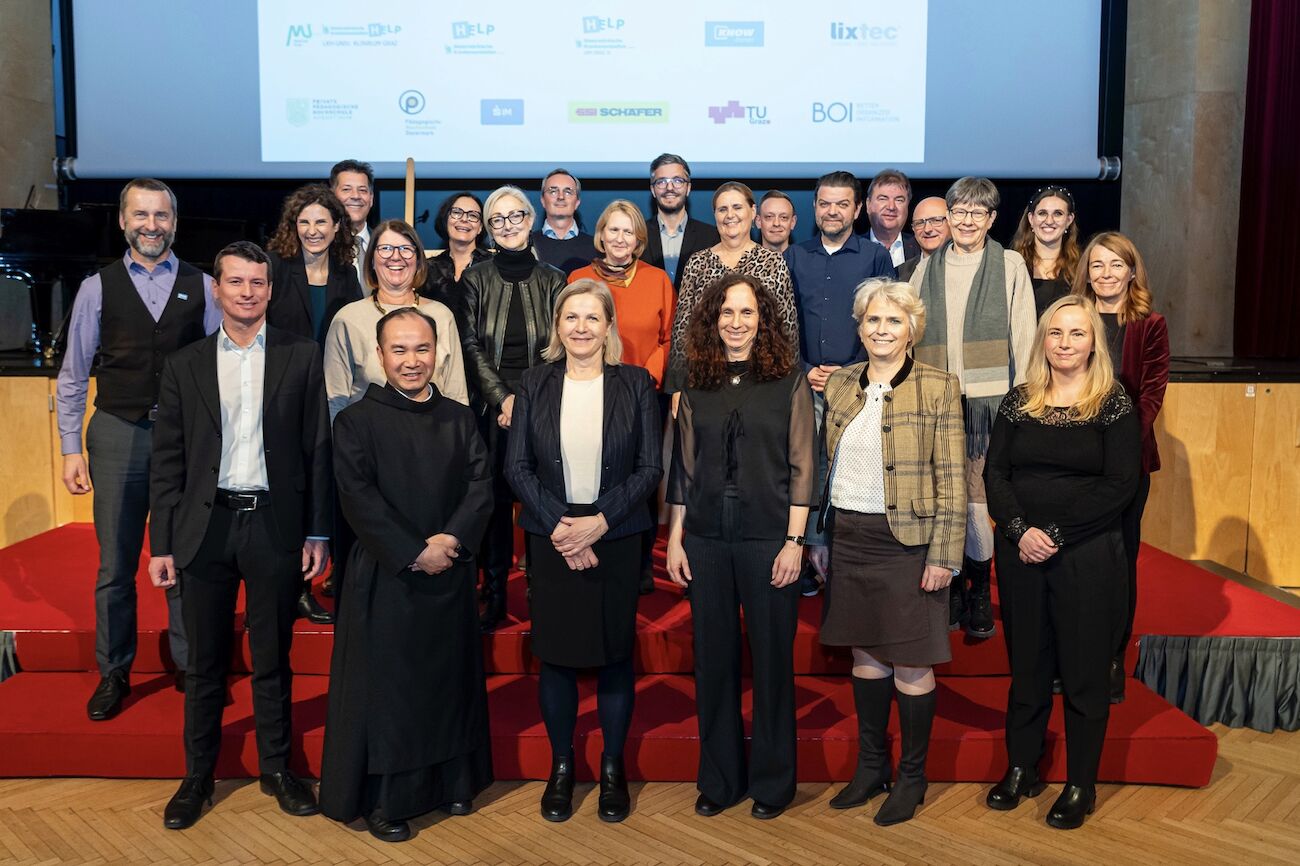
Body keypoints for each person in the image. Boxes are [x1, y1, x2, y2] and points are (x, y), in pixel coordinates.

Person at [148, 241, 332, 830]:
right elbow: (168, 461)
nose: (247, 292)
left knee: (273, 656)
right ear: (217, 288)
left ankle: (278, 769)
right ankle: (197, 776)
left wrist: (318, 533)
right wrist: (163, 543)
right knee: (204, 665)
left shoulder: (302, 357)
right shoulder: (185, 364)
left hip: (275, 525)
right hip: (206, 527)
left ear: (270, 290)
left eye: (258, 283)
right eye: (236, 282)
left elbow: (317, 451)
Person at [320, 308, 494, 843]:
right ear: (380, 355)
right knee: (391, 694)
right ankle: (385, 800)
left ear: (438, 354)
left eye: (421, 349)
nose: (411, 360)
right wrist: (413, 551)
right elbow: (358, 500)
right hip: (388, 575)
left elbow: (480, 486)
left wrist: (451, 541)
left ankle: (451, 783)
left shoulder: (460, 418)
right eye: (399, 350)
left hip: (449, 571)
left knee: (449, 684)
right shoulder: (355, 421)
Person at [57, 178, 220, 720]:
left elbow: (222, 364)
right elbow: (75, 374)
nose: (152, 225)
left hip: (184, 440)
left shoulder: (204, 286)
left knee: (185, 557)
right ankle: (114, 671)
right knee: (116, 564)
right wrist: (70, 448)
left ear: (175, 222)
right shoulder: (96, 287)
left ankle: (190, 665)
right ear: (124, 221)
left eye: (161, 215)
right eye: (141, 215)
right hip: (117, 434)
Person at [505, 280, 662, 823]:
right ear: (557, 325)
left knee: (615, 656)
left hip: (615, 536)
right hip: (552, 539)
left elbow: (649, 469)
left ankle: (613, 769)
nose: (580, 327)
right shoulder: (533, 382)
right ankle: (563, 767)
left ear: (608, 326)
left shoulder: (636, 383)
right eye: (571, 317)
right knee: (557, 658)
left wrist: (597, 523)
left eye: (592, 317)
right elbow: (516, 467)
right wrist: (563, 528)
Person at [810, 279, 965, 825]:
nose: (881, 330)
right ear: (859, 327)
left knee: (912, 662)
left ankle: (912, 777)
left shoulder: (939, 386)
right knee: (866, 657)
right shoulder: (841, 384)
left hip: (910, 543)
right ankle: (872, 766)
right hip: (850, 537)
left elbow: (952, 477)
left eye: (893, 321)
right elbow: (821, 467)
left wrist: (944, 554)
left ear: (912, 330)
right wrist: (819, 536)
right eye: (872, 320)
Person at [983, 294, 1140, 830]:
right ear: (1042, 340)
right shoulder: (1018, 399)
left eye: (1076, 333)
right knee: (1026, 668)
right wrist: (1018, 530)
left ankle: (1080, 783)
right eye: (1056, 333)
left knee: (1082, 672)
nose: (1065, 343)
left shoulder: (1114, 403)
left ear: (1093, 341)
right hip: (1020, 552)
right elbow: (995, 473)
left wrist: (1051, 533)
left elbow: (1121, 486)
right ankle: (1022, 768)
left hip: (1087, 555)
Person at [666, 273, 815, 820]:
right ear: (712, 320)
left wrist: (795, 542)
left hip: (767, 538)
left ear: (764, 320)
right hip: (705, 538)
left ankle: (774, 785)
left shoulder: (787, 381)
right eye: (726, 312)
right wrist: (676, 538)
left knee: (773, 662)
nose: (735, 322)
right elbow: (681, 468)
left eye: (747, 313)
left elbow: (803, 465)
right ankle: (720, 780)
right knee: (714, 661)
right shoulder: (696, 381)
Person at [910, 176, 1037, 639]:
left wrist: (1022, 402)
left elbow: (1024, 335)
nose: (965, 221)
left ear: (991, 219)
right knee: (946, 496)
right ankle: (953, 586)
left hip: (989, 407)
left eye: (975, 213)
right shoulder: (927, 267)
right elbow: (911, 336)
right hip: (936, 403)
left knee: (978, 498)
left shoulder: (1008, 264)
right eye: (958, 212)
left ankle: (979, 586)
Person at [460, 185, 567, 629]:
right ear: (489, 228)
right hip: (492, 410)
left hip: (546, 405)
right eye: (497, 219)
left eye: (515, 216)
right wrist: (502, 398)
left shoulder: (554, 278)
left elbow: (565, 343)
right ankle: (496, 588)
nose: (507, 226)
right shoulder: (475, 278)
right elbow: (469, 344)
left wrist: (529, 402)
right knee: (496, 503)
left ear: (531, 219)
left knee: (545, 500)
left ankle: (547, 588)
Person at [785, 171, 896, 595]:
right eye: (825, 204)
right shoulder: (795, 257)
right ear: (816, 208)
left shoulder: (874, 258)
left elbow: (889, 322)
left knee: (850, 468)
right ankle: (810, 553)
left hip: (859, 383)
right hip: (806, 382)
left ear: (856, 209)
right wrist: (803, 366)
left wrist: (851, 370)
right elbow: (783, 320)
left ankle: (847, 557)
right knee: (807, 467)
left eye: (841, 204)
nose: (832, 211)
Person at [1072, 231, 1169, 702]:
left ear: (1132, 272)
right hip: (1070, 462)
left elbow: (1150, 396)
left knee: (1118, 561)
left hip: (1126, 462)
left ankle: (1112, 658)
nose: (1106, 274)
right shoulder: (1071, 320)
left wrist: (1117, 449)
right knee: (1072, 561)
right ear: (1086, 272)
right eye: (1097, 265)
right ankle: (1072, 657)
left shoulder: (1150, 325)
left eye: (1115, 265)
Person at [264, 184, 362, 623]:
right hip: (285, 394)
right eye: (304, 222)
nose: (312, 230)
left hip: (336, 394)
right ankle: (290, 589)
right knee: (290, 489)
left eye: (321, 221)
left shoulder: (346, 272)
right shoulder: (277, 268)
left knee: (329, 484)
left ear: (337, 225)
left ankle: (332, 578)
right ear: (293, 226)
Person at [568, 200, 676, 594]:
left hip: (644, 392)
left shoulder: (657, 279)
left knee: (640, 475)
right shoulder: (580, 278)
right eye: (613, 230)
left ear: (638, 240)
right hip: (589, 390)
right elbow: (570, 332)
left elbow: (670, 338)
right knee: (597, 471)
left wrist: (646, 377)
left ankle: (642, 559)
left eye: (628, 231)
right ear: (601, 235)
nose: (620, 238)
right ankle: (591, 544)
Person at [324, 219, 468, 422]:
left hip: (433, 438)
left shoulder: (442, 316)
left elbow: (457, 395)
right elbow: (335, 400)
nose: (396, 256)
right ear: (372, 260)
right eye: (385, 249)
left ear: (418, 260)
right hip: (369, 442)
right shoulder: (347, 319)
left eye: (406, 249)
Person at [664, 182, 800, 393]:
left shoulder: (773, 262)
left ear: (753, 211)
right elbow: (682, 330)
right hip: (706, 381)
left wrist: (790, 388)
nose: (730, 215)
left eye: (737, 207)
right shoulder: (698, 262)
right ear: (715, 215)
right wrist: (677, 388)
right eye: (723, 209)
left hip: (762, 381)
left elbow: (787, 329)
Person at [641, 153, 720, 288]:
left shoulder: (711, 237)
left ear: (688, 188)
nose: (670, 188)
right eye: (661, 182)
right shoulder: (638, 234)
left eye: (677, 181)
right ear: (653, 190)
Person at [1012, 186, 1081, 319]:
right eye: (1042, 213)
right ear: (1031, 219)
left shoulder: (1081, 266)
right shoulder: (1012, 265)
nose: (1049, 221)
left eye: (1058, 214)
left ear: (1069, 220)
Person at [426, 192, 492, 311]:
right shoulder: (427, 269)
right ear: (446, 220)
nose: (464, 219)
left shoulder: (493, 265)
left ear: (480, 227)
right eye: (457, 213)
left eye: (473, 215)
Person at [530, 168, 598, 275]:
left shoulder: (596, 247)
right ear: (543, 200)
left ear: (577, 202)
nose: (560, 197)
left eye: (568, 192)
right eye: (553, 191)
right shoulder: (527, 244)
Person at [329, 159, 375, 287]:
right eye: (346, 189)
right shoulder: (322, 247)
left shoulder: (383, 243)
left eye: (362, 190)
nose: (355, 196)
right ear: (332, 196)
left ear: (371, 199)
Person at [864, 170, 920, 267]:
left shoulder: (920, 247)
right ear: (868, 205)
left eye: (899, 200)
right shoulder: (852, 248)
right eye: (883, 199)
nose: (891, 207)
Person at [896, 197, 950, 282]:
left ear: (951, 222)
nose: (927, 229)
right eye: (920, 223)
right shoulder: (900, 273)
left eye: (936, 220)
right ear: (913, 228)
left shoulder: (967, 267)